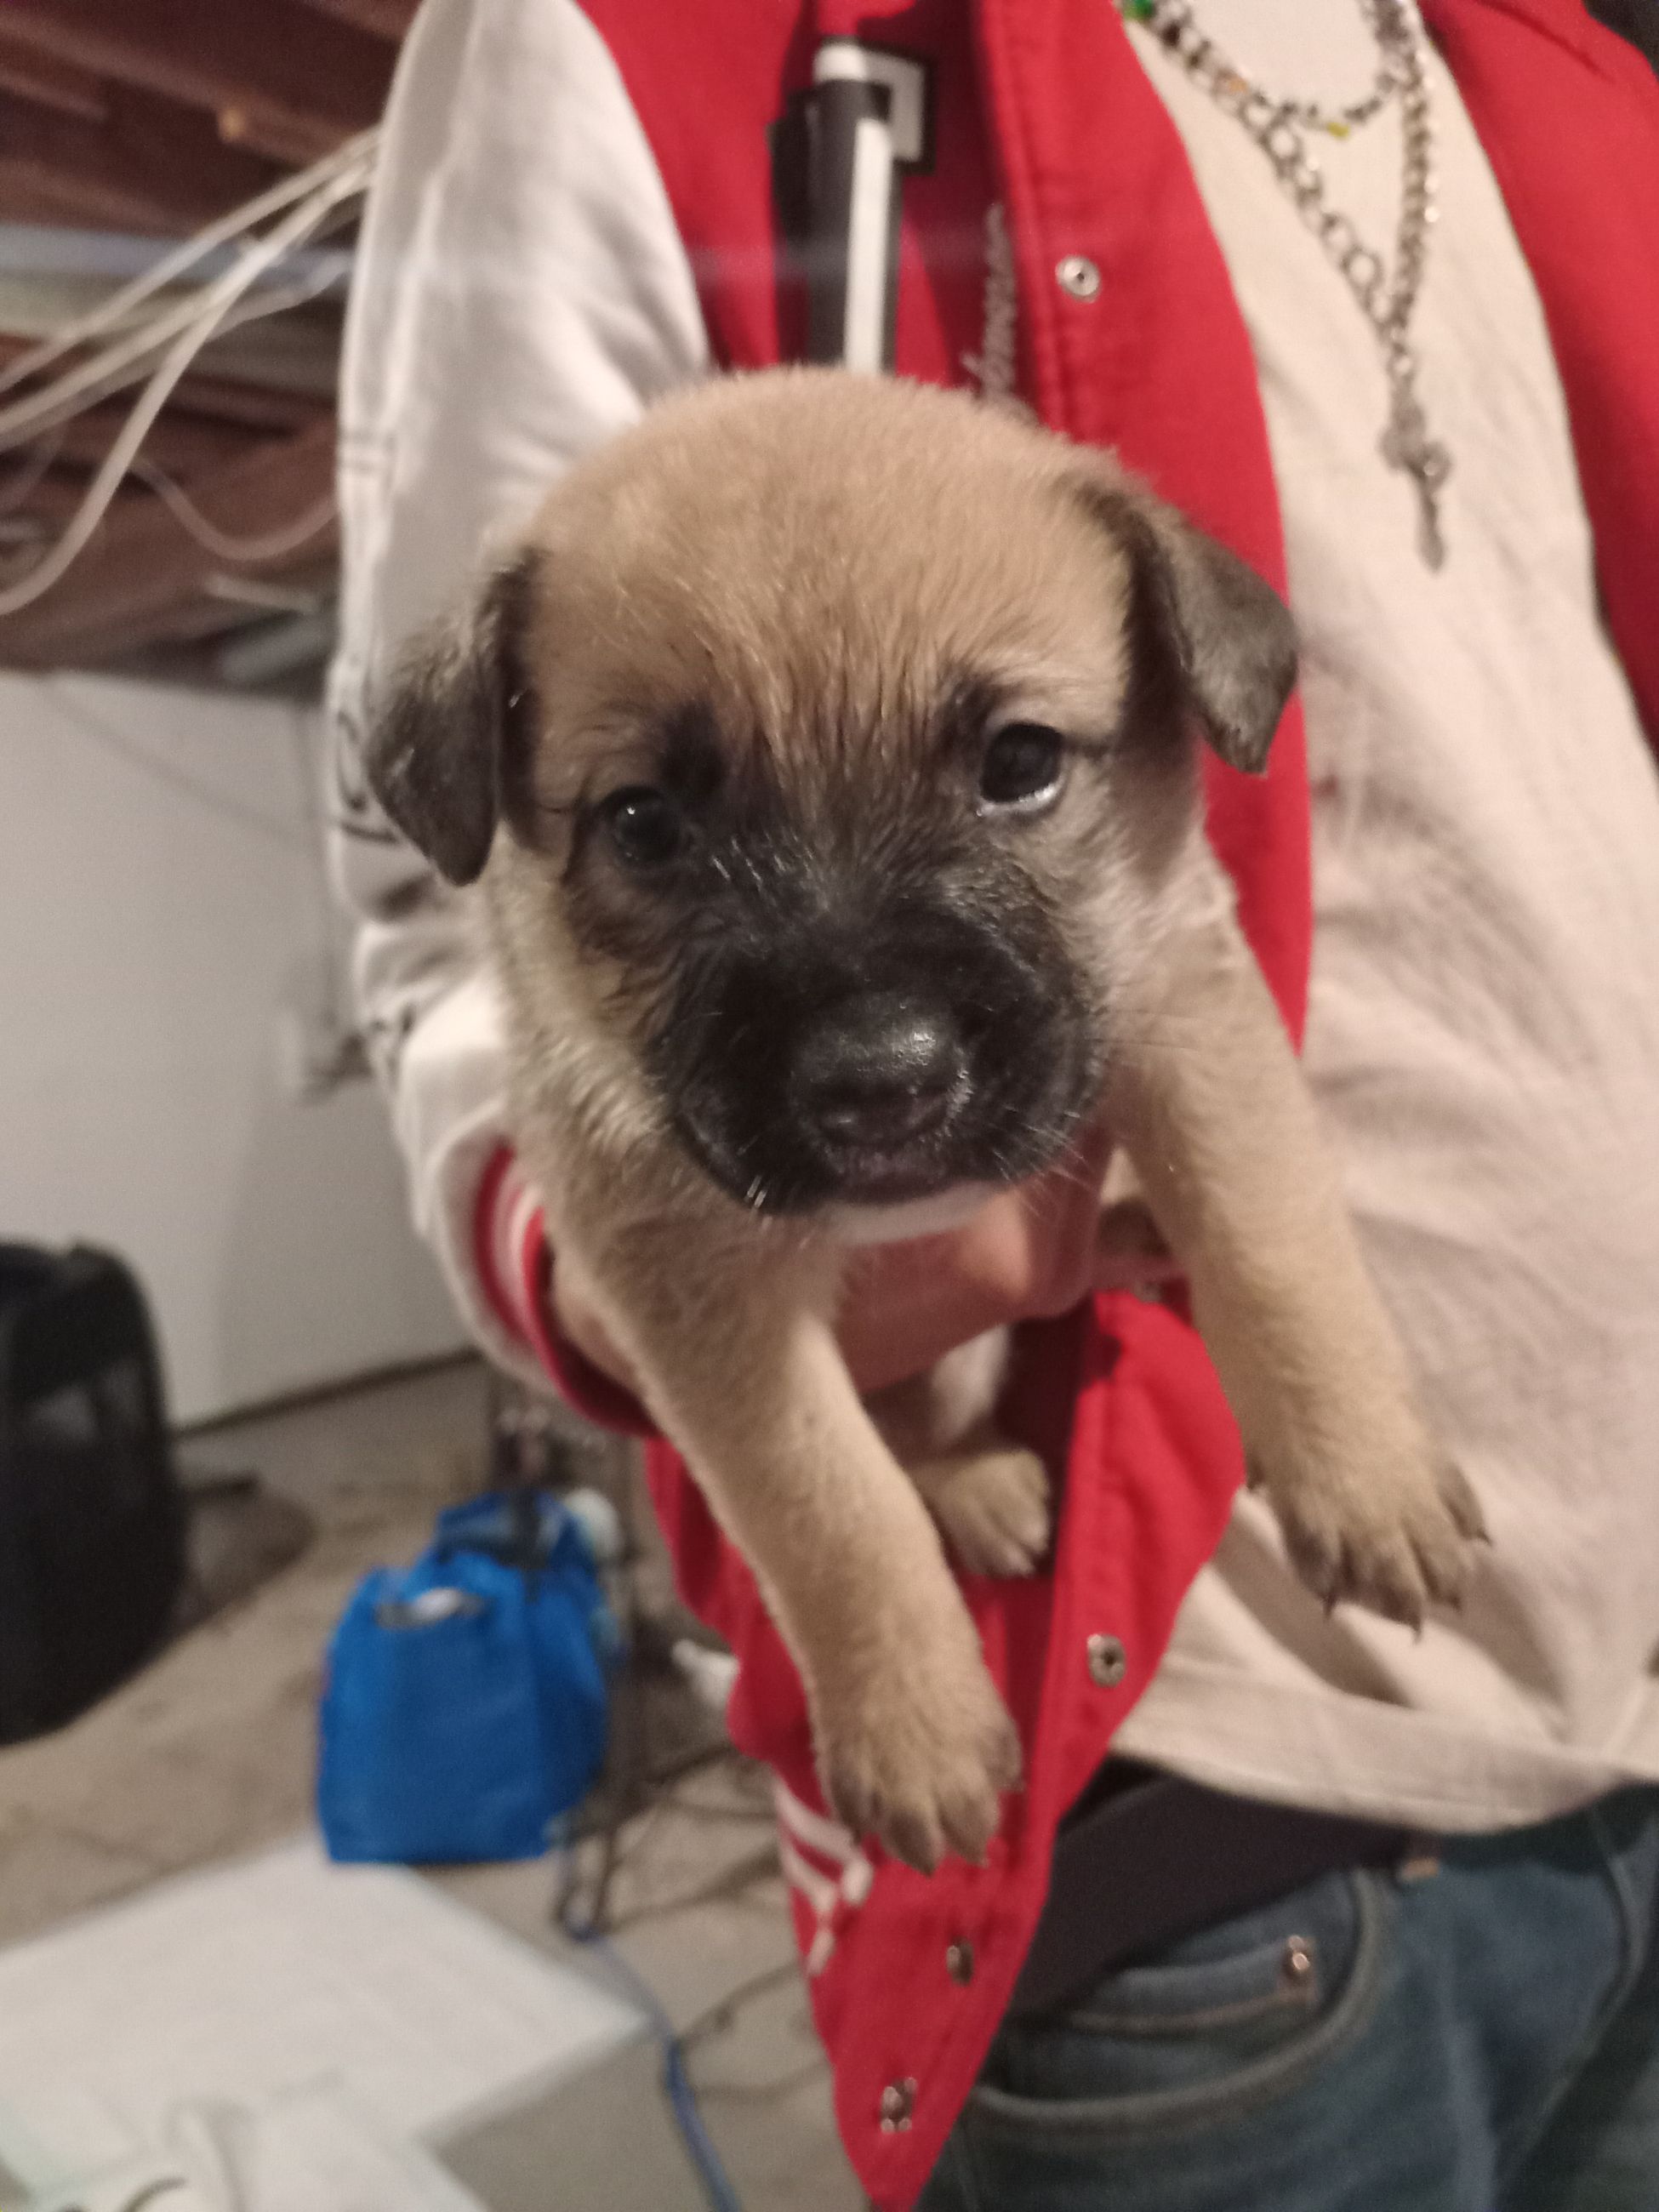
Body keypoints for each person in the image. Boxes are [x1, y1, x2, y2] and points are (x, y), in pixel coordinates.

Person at [328, 3, 1659, 2206]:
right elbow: (430, 916)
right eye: (655, 827)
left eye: (1017, 766)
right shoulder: (621, 37)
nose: (875, 1030)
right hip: (1203, 1813)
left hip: (1624, 1655)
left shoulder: (1558, 74)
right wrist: (873, 1591)